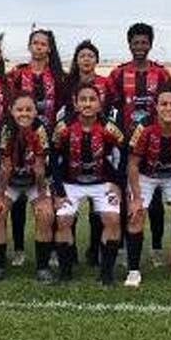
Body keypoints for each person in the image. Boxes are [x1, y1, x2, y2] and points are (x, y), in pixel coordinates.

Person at [108, 23, 171, 269]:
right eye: (135, 42)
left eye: (144, 42)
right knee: (128, 196)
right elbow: (110, 108)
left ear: (150, 44)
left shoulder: (162, 74)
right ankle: (125, 247)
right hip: (126, 145)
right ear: (129, 44)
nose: (139, 47)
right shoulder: (118, 73)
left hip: (156, 145)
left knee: (155, 199)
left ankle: (156, 247)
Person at [125, 82, 171, 290]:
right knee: (136, 215)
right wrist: (137, 198)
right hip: (145, 175)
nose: (169, 108)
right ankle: (133, 270)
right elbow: (132, 164)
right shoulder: (144, 128)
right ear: (156, 106)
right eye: (164, 104)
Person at [50, 84, 124, 285]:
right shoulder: (63, 127)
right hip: (70, 182)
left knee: (112, 219)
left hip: (102, 182)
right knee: (63, 221)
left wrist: (117, 182)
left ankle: (107, 274)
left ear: (100, 104)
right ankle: (65, 274)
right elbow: (53, 159)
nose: (87, 103)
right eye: (83, 99)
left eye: (92, 99)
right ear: (75, 103)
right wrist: (58, 191)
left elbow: (124, 153)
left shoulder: (109, 127)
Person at [6, 29, 65, 267]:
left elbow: (62, 108)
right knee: (18, 196)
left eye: (44, 44)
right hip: (20, 141)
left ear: (49, 48)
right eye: (35, 43)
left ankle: (50, 250)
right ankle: (19, 249)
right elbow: (9, 105)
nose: (39, 47)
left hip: (48, 143)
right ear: (30, 46)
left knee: (45, 196)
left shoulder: (58, 76)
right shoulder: (17, 74)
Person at [0, 92, 55, 282]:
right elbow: (5, 167)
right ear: (11, 111)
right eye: (19, 110)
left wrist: (43, 197)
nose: (24, 114)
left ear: (36, 112)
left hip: (35, 181)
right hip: (9, 181)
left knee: (44, 214)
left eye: (28, 109)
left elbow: (41, 168)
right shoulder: (5, 129)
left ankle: (43, 268)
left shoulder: (41, 129)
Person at [64, 40, 114, 267]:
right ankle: (69, 250)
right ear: (77, 60)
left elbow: (113, 107)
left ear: (96, 60)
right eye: (82, 55)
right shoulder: (68, 82)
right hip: (72, 141)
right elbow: (62, 109)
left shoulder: (106, 83)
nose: (86, 59)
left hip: (99, 139)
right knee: (69, 202)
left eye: (90, 56)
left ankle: (95, 250)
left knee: (98, 205)